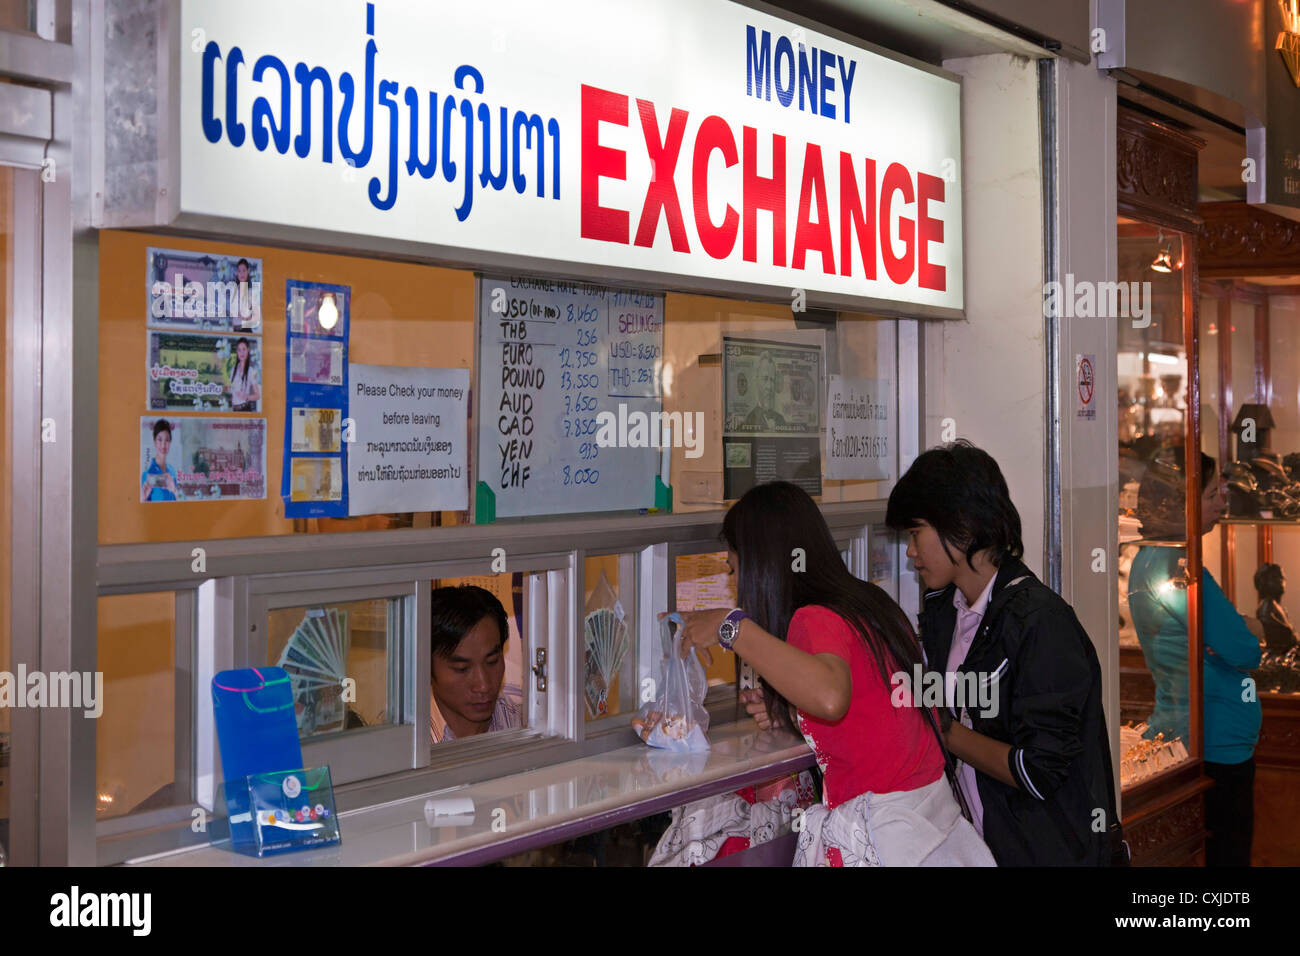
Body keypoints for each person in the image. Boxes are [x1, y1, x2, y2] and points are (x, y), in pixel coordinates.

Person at [674, 480, 994, 866]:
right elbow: (866, 710)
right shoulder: (867, 603)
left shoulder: (812, 619)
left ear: (762, 567)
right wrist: (791, 712)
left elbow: (830, 697)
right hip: (933, 831)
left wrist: (732, 627)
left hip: (888, 837)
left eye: (735, 568)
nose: (735, 584)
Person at [886, 440, 1117, 866]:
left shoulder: (1039, 622)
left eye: (916, 533)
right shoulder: (943, 610)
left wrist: (943, 728)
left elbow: (1038, 770)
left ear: (961, 526)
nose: (911, 552)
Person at [1128, 448, 1262, 867]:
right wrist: (1246, 628)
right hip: (1215, 741)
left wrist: (1229, 632)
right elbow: (1244, 648)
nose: (1223, 501)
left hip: (1198, 730)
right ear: (1180, 503)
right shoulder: (1178, 564)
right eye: (1211, 494)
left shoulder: (1157, 558)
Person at [429, 585, 522, 744]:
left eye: (492, 662)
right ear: (426, 667)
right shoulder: (402, 740)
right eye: (462, 669)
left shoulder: (521, 723)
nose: (483, 685)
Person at [1254, 563, 1299, 656]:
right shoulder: (1267, 609)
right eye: (1275, 577)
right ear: (1264, 582)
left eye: (1282, 577)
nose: (1281, 581)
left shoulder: (1278, 608)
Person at [742, 352, 787, 430]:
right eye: (765, 379)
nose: (769, 386)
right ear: (756, 381)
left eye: (772, 380)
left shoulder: (781, 420)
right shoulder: (749, 420)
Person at [140, 418, 179, 502]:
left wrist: (175, 491)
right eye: (160, 439)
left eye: (167, 440)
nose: (163, 445)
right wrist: (143, 499)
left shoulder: (172, 471)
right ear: (154, 442)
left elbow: (177, 502)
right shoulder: (147, 473)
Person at [228, 337, 260, 411]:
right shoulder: (233, 369)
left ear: (248, 350)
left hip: (245, 409)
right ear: (237, 352)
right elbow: (232, 390)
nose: (241, 353)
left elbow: (257, 395)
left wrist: (246, 397)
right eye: (239, 350)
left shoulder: (251, 371)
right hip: (235, 410)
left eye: (244, 349)